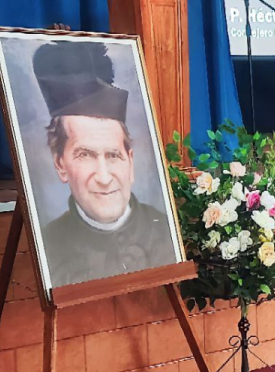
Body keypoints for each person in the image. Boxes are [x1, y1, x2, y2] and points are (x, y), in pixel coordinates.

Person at [33, 41, 177, 288]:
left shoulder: (165, 232)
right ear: (60, 164)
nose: (103, 177)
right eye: (85, 155)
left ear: (130, 163)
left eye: (112, 155)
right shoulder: (48, 245)